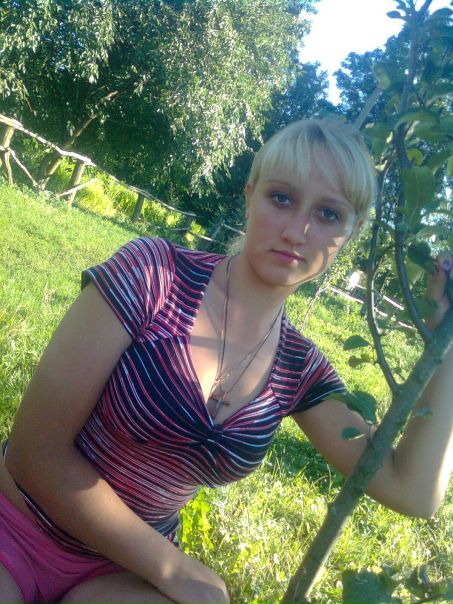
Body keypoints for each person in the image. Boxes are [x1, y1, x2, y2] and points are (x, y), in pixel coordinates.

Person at [0, 119, 451, 604]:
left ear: (351, 232)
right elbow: (34, 452)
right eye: (282, 198)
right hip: (17, 524)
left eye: (328, 214)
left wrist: (446, 340)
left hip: (118, 574)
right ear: (250, 194)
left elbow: (410, 490)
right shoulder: (155, 275)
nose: (297, 231)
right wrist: (171, 566)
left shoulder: (298, 370)